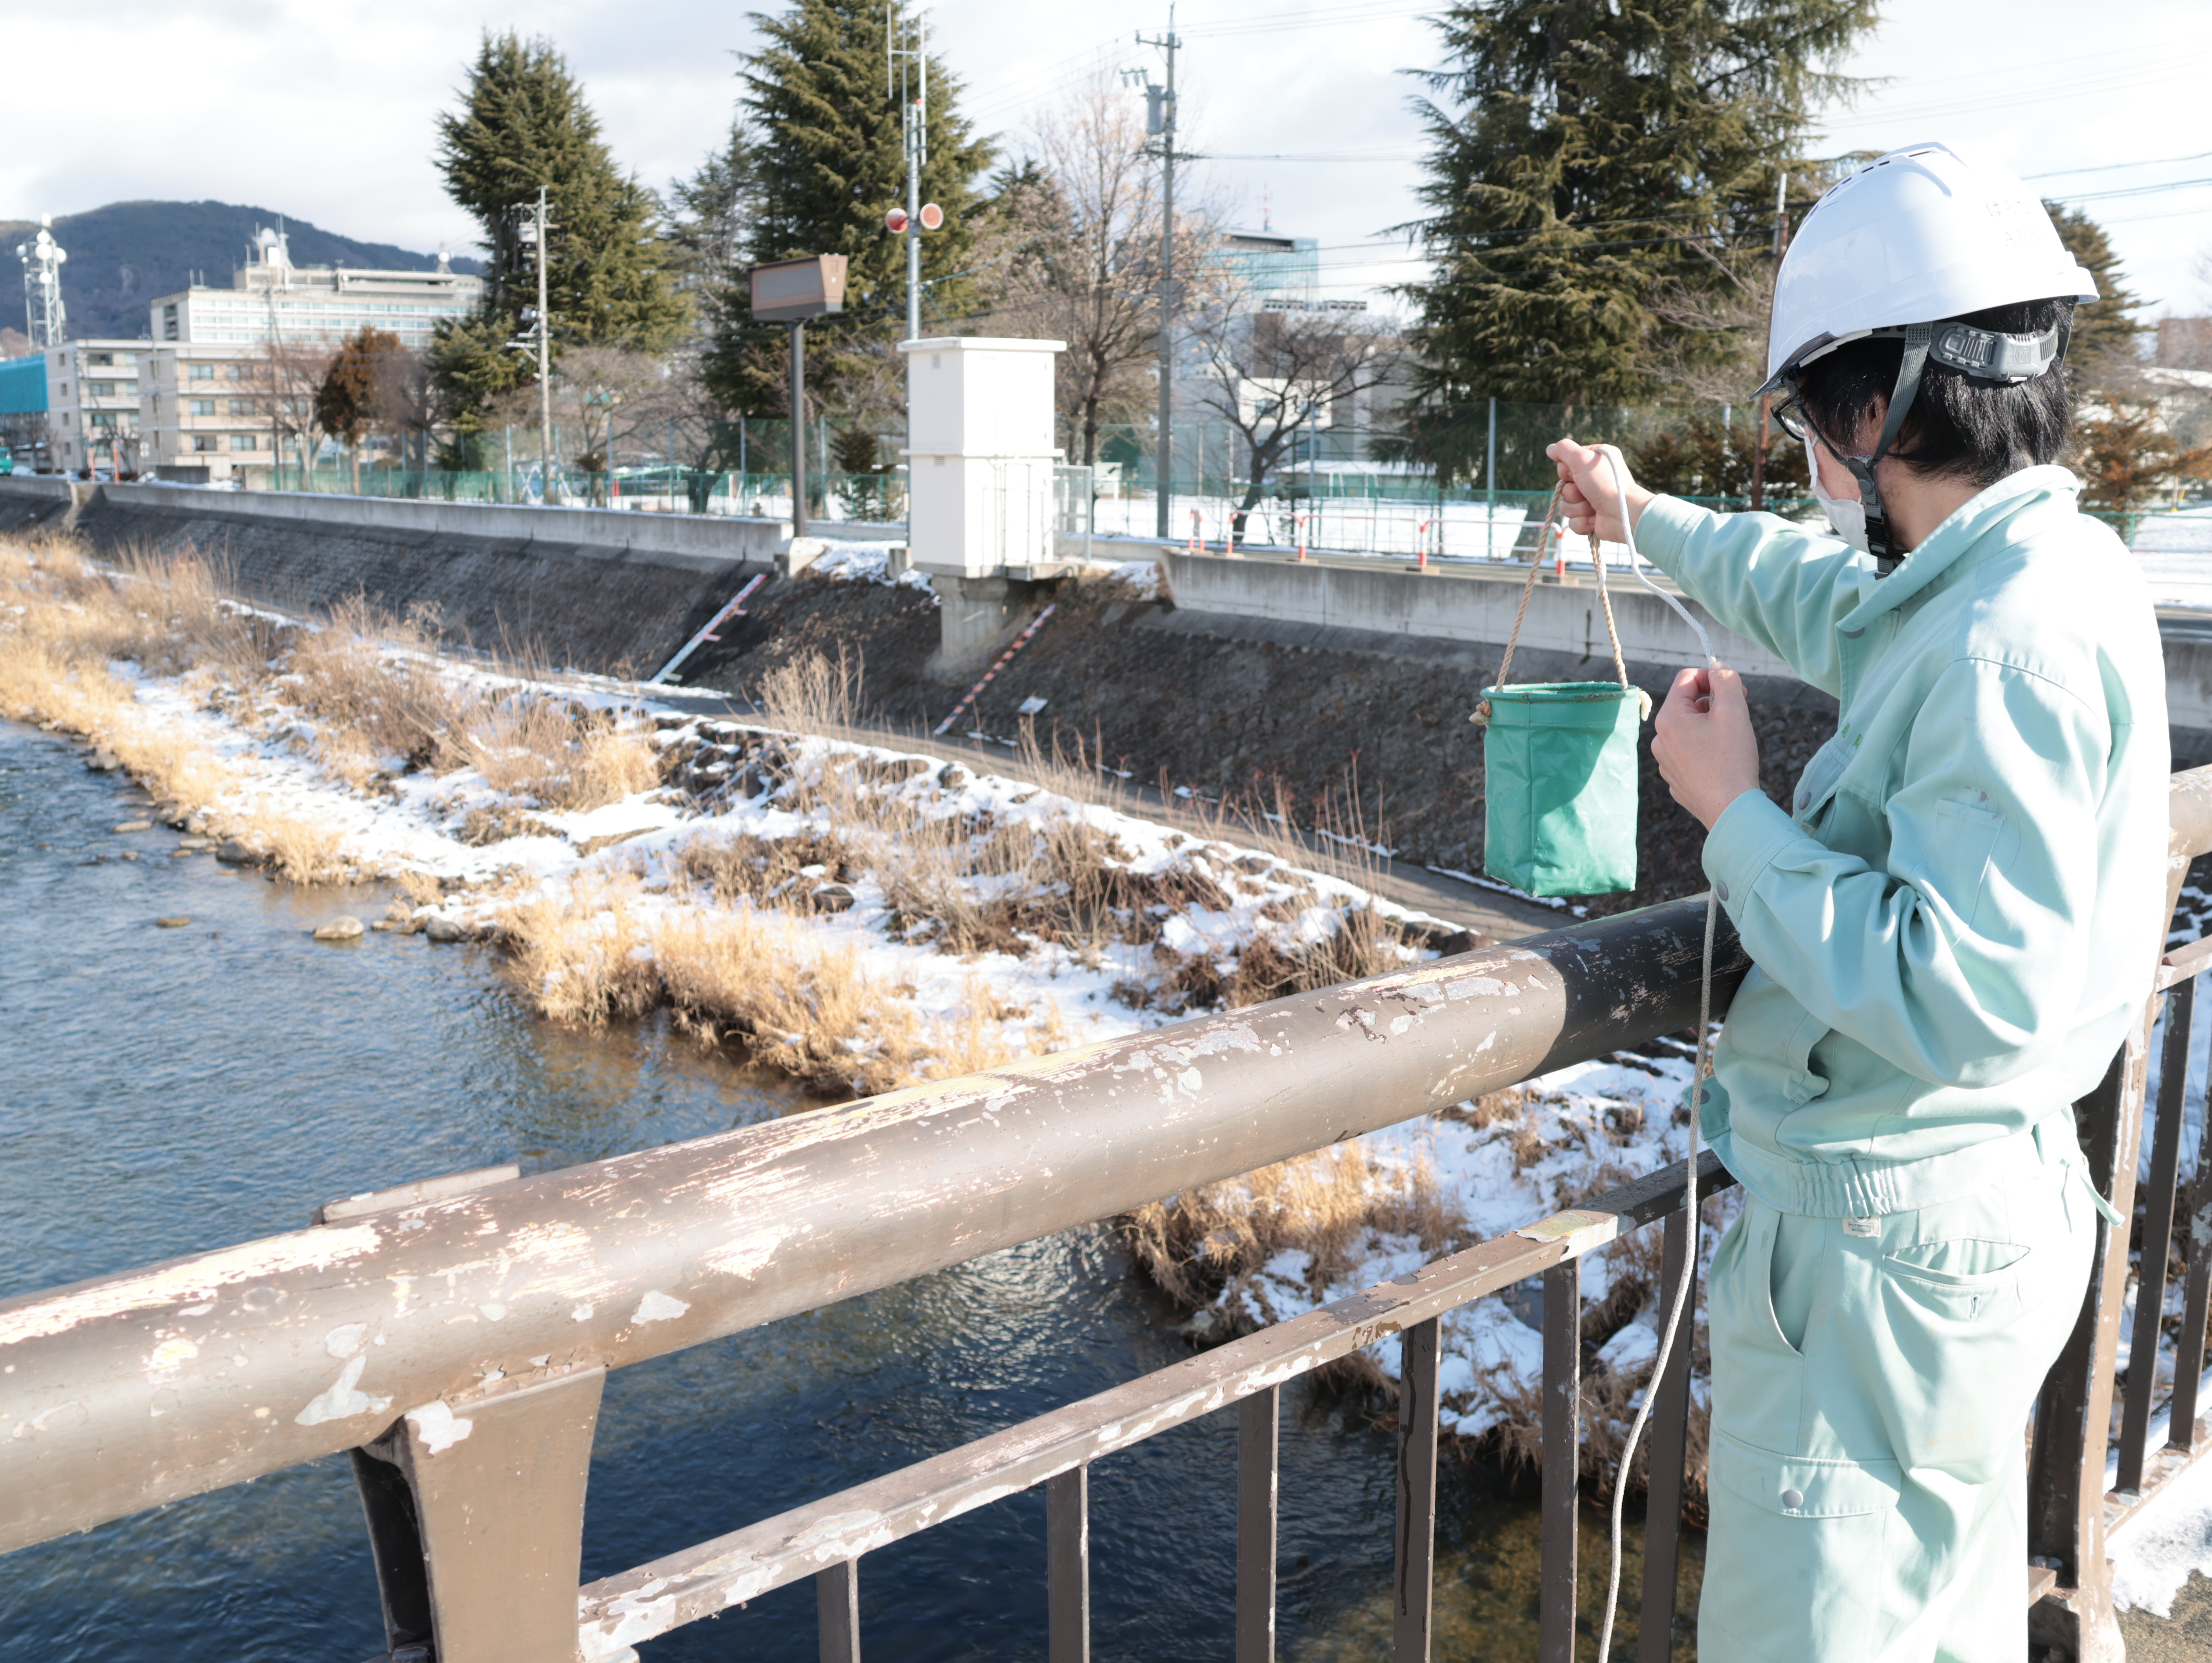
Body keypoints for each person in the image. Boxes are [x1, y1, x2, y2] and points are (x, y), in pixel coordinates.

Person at [1546, 141, 2168, 1661]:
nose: (1821, 467)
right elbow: (1828, 600)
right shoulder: (2040, 572)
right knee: (1934, 1615)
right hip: (1973, 1226)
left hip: (1883, 1259)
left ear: (1874, 407)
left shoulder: (1991, 644)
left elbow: (1967, 993)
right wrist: (1645, 517)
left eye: (1819, 422)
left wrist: (1734, 816)